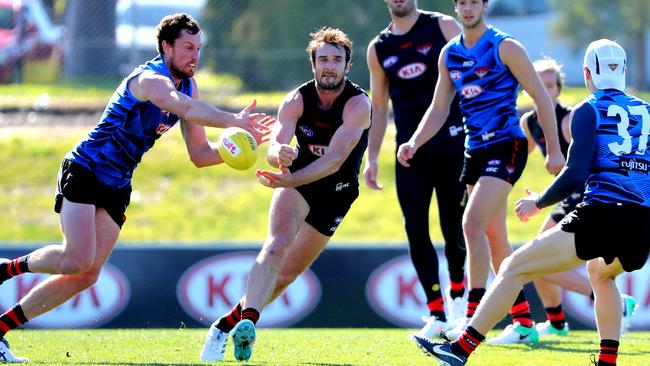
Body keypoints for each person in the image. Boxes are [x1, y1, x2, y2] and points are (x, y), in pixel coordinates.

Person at [0, 13, 272, 363]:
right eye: (188, 47)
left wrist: (234, 151)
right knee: (76, 258)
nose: (195, 56)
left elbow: (201, 155)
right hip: (86, 168)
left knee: (87, 275)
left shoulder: (190, 86)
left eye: (199, 48)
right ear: (166, 47)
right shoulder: (150, 80)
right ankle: (7, 270)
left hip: (118, 184)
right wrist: (234, 120)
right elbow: (183, 107)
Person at [413, 38, 647, 366]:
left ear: (587, 73)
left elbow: (575, 172)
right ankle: (608, 361)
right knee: (602, 274)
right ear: (623, 70)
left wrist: (538, 202)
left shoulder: (588, 109)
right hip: (642, 222)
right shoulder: (647, 111)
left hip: (602, 214)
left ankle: (460, 350)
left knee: (514, 267)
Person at [397, 0, 565, 344]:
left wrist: (555, 150)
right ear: (456, 7)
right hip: (474, 151)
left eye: (474, 1)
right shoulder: (450, 54)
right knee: (492, 236)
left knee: (470, 224)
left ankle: (471, 317)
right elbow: (439, 107)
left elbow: (541, 98)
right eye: (462, 2)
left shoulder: (506, 46)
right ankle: (523, 324)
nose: (468, 8)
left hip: (507, 145)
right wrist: (413, 142)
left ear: (485, 5)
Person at [199, 27, 371, 362]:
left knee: (288, 274)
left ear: (348, 66)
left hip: (336, 191)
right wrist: (280, 155)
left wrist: (289, 180)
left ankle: (224, 325)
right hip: (298, 185)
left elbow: (335, 160)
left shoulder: (358, 105)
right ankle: (250, 321)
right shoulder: (296, 99)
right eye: (323, 59)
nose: (330, 66)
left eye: (337, 59)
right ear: (313, 64)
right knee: (276, 245)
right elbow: (277, 141)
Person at [365, 0, 467, 337]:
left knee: (455, 225)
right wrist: (372, 157)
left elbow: (468, 84)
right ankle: (436, 312)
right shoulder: (379, 47)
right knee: (415, 229)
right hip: (409, 154)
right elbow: (379, 107)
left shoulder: (443, 27)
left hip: (453, 145)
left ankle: (458, 300)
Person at [521, 58, 638, 337]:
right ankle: (557, 323)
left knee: (536, 261)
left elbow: (582, 163)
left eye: (550, 85)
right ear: (529, 88)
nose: (545, 90)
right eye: (539, 84)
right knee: (537, 265)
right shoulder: (528, 122)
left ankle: (612, 303)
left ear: (558, 90)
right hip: (564, 199)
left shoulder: (569, 119)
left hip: (585, 198)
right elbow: (516, 157)